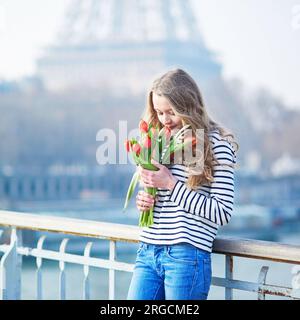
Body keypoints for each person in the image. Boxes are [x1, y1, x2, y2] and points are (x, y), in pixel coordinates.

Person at [127, 68, 238, 300]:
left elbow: (222, 212)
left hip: (186, 256)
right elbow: (163, 202)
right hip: (148, 250)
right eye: (158, 112)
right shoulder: (159, 141)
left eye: (171, 112)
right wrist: (145, 199)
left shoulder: (217, 144)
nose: (165, 120)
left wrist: (171, 185)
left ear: (189, 105)